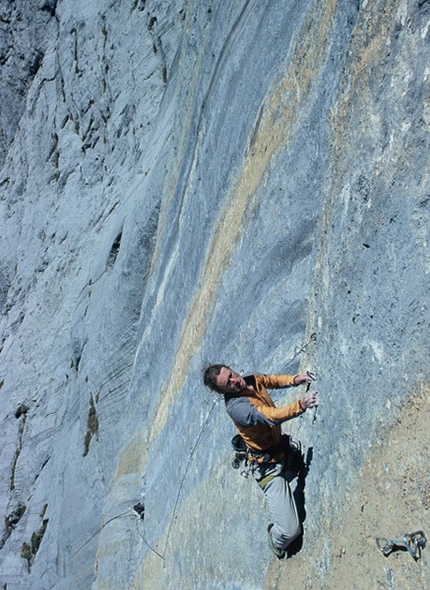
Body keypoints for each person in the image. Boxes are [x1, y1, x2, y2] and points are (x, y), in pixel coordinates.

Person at [202, 364, 319, 559]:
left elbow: (269, 380)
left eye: (231, 375)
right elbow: (269, 416)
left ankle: (289, 465)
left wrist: (295, 379)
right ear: (223, 392)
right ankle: (275, 537)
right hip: (268, 469)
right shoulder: (237, 409)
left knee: (297, 466)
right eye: (227, 385)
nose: (234, 381)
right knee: (291, 531)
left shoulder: (248, 380)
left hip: (281, 450)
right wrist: (300, 406)